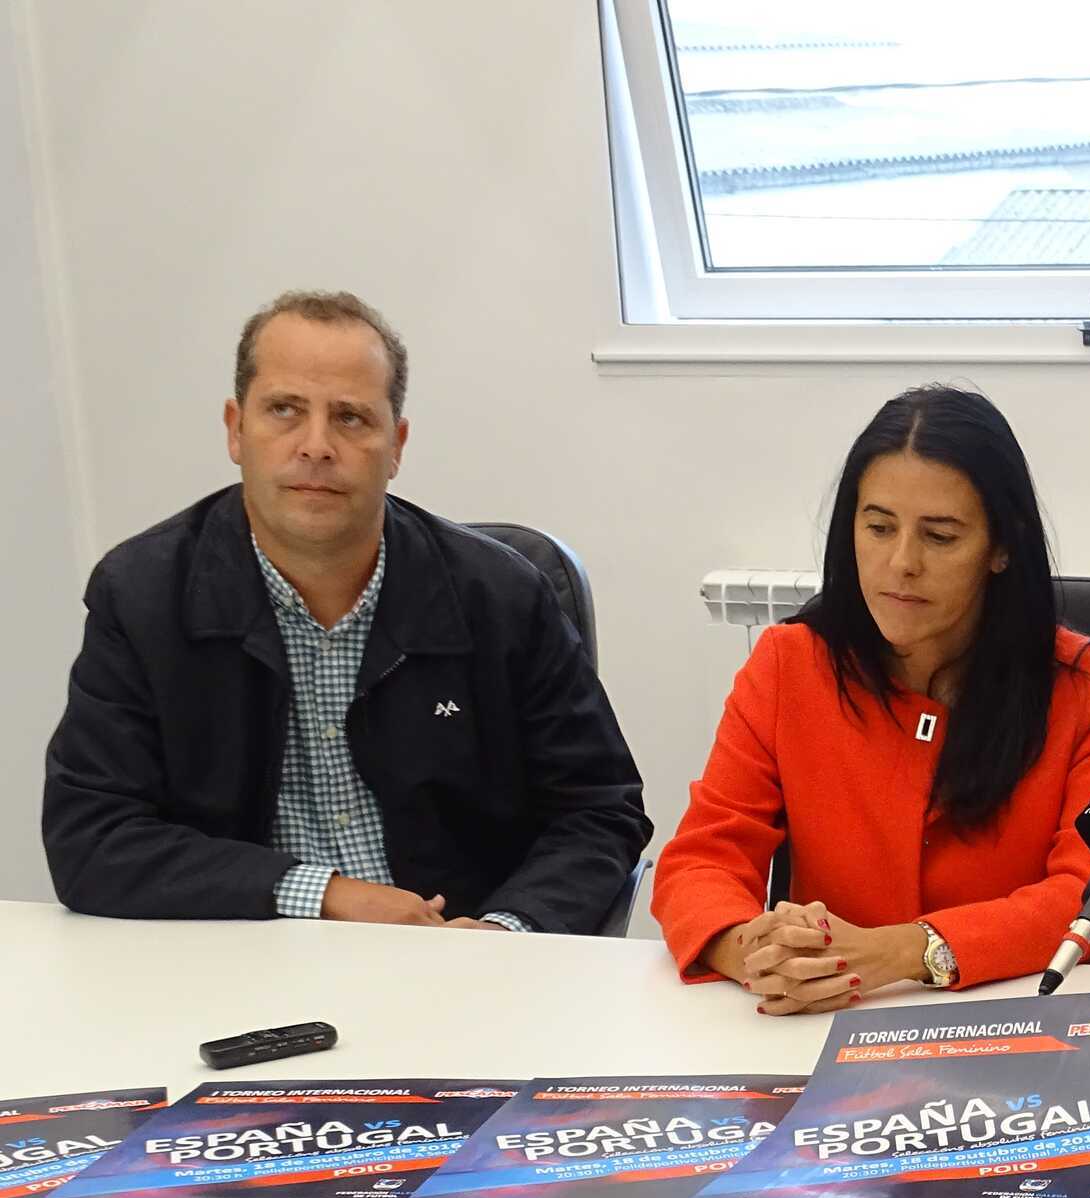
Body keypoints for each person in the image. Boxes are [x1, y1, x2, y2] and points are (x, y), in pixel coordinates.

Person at [42, 289, 650, 932]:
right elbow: (93, 837)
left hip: (460, 957)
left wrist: (506, 930)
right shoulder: (142, 595)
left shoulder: (502, 596)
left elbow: (599, 810)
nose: (316, 446)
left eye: (351, 418)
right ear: (235, 429)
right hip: (238, 951)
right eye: (284, 410)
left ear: (397, 444)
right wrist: (322, 893)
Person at [650, 385, 1090, 1012]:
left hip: (1013, 1017)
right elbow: (701, 861)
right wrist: (756, 952)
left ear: (1001, 547)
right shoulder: (787, 665)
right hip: (820, 1019)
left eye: (939, 537)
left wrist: (904, 951)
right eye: (879, 527)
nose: (901, 562)